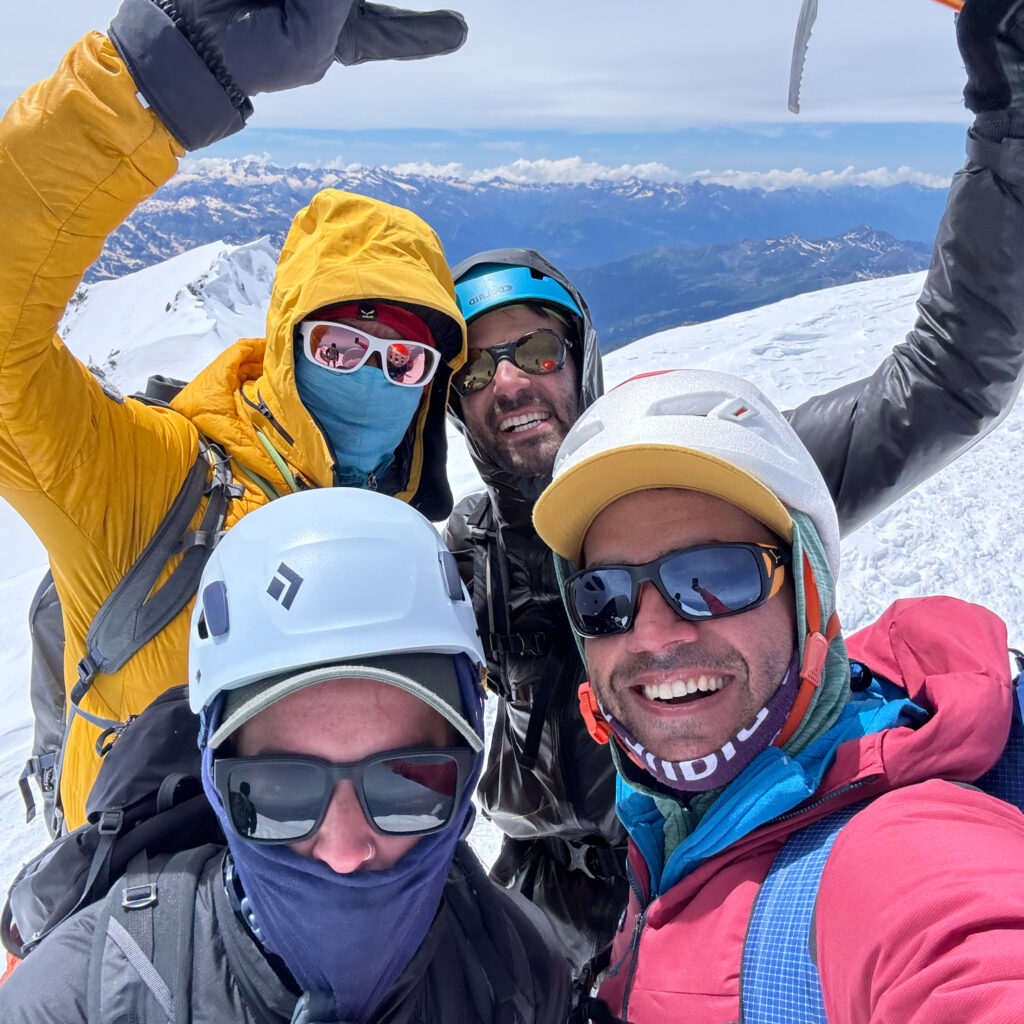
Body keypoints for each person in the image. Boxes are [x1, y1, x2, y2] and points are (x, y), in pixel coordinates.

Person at [443, 0, 1024, 973]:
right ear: (456, 407)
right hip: (535, 910)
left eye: (536, 349)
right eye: (474, 368)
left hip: (724, 873)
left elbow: (948, 379)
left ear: (581, 359)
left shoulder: (723, 477)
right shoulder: (460, 560)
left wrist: (1011, 104)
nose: (509, 382)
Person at [0, 0, 469, 829]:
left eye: (403, 362)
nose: (373, 377)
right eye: (338, 346)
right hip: (143, 901)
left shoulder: (416, 564)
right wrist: (157, 78)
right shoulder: (152, 486)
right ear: (286, 345)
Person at [531, 365, 1024, 1022]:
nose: (651, 634)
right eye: (604, 596)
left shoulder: (898, 858)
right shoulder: (664, 817)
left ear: (808, 593)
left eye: (714, 576)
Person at [0, 487, 572, 1023]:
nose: (345, 853)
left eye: (407, 786)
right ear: (218, 784)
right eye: (277, 794)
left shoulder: (522, 972)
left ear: (466, 777)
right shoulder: (77, 999)